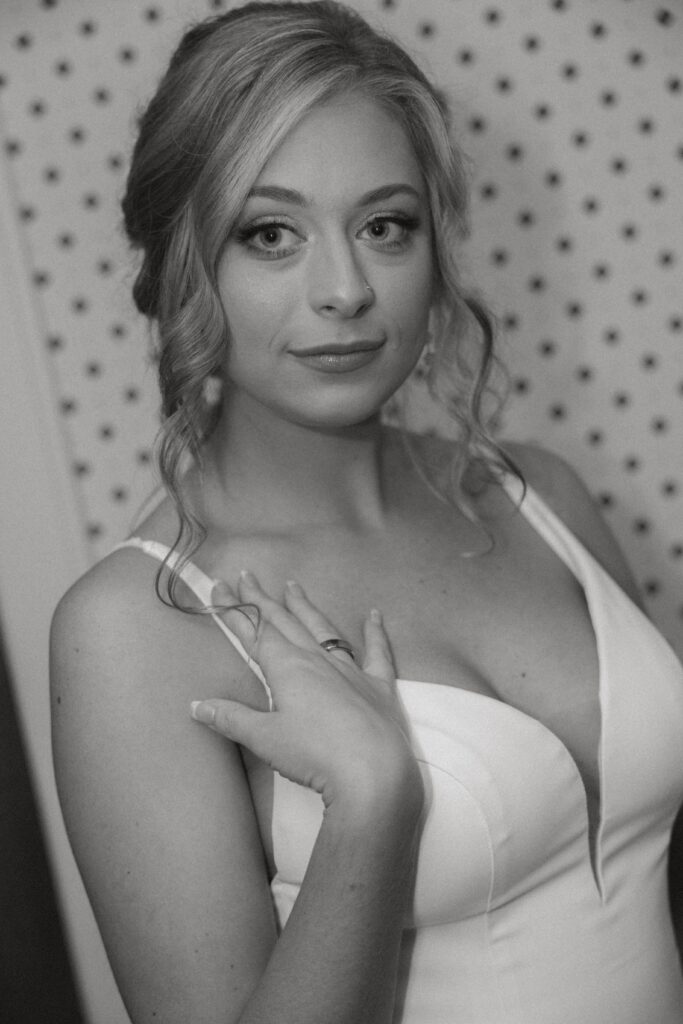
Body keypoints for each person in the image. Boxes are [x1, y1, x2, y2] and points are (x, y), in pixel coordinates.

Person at [49, 2, 683, 1022]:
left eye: (384, 225)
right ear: (176, 268)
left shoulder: (538, 496)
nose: (345, 288)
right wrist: (368, 807)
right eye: (269, 233)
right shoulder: (136, 627)